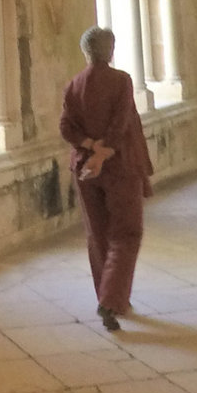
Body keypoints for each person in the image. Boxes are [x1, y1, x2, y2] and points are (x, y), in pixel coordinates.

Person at [59, 24, 152, 330]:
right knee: (127, 233)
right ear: (109, 50)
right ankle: (111, 301)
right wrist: (103, 152)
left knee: (97, 235)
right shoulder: (120, 80)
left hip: (84, 169)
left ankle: (110, 297)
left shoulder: (74, 85)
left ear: (85, 52)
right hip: (119, 166)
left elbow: (66, 128)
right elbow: (121, 121)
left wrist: (89, 147)